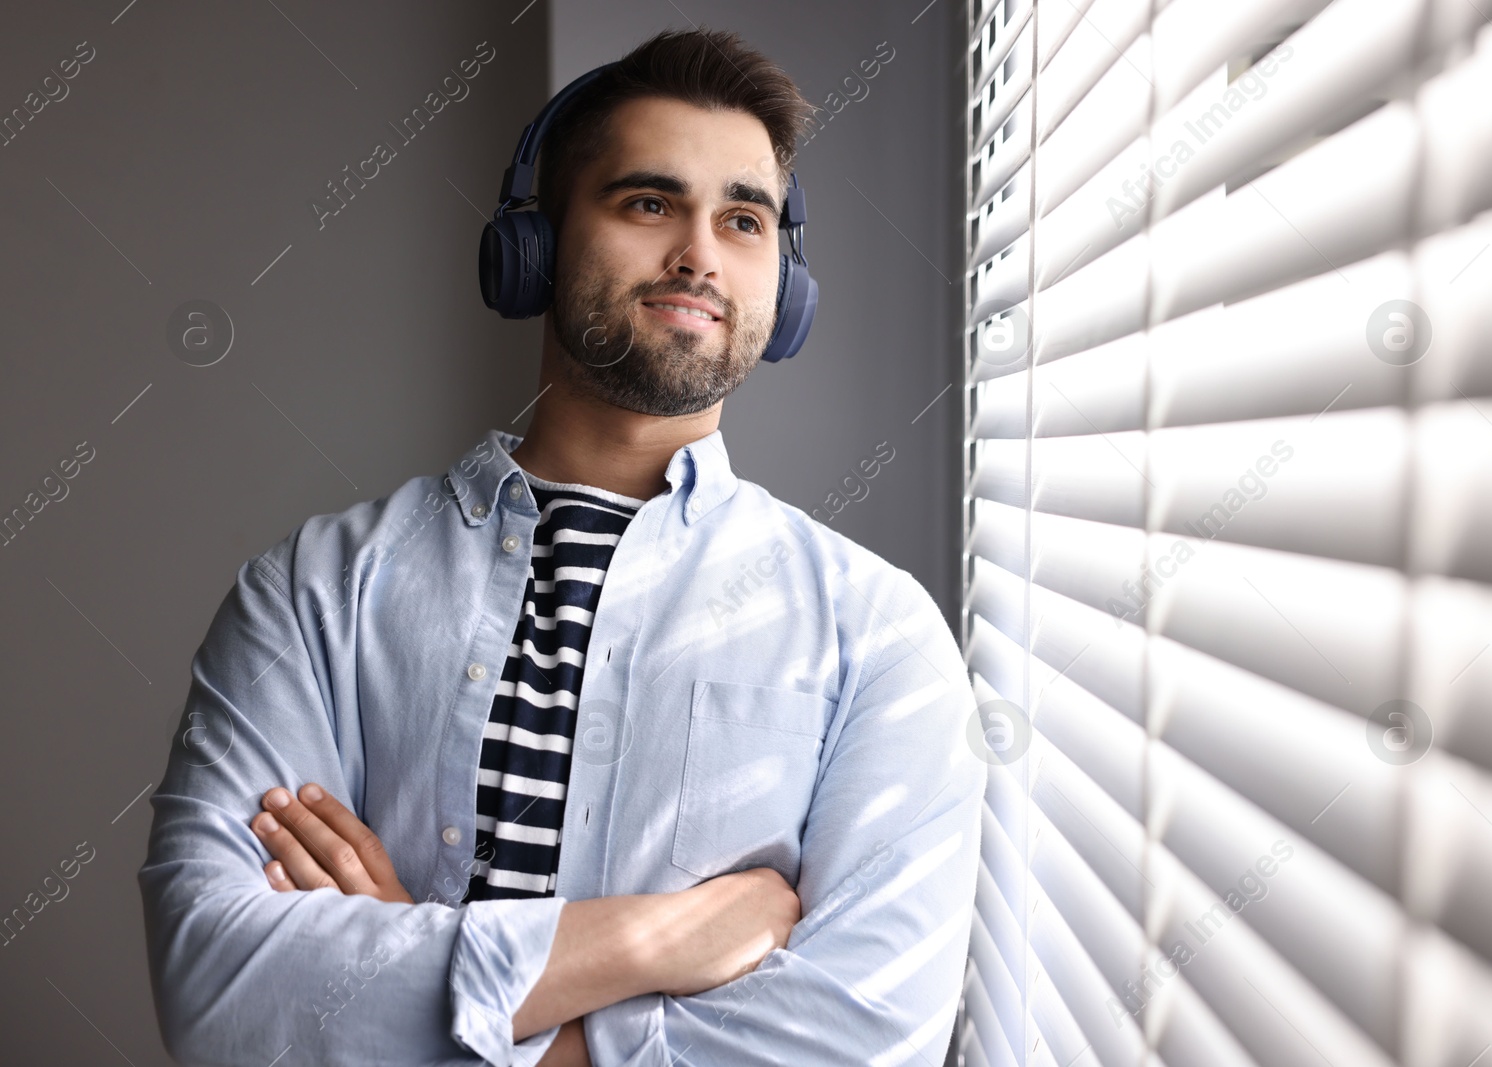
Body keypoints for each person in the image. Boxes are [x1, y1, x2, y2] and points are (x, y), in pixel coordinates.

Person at [138, 26, 982, 1067]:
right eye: (648, 202)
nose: (699, 254)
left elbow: (860, 1036)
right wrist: (656, 938)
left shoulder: (879, 635)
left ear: (784, 284)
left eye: (744, 218)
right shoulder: (312, 594)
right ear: (533, 244)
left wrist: (431, 978)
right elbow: (221, 994)